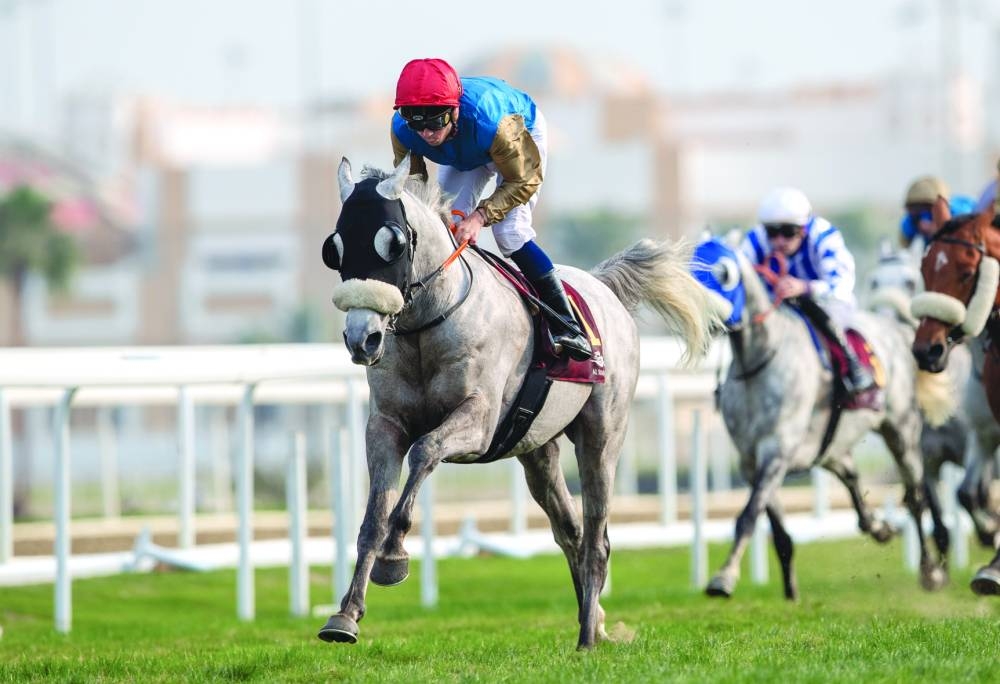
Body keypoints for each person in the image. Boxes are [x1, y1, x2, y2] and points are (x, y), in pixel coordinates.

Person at [389, 57, 591, 361]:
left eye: (435, 121)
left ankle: (568, 324)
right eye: (416, 121)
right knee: (446, 229)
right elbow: (417, 190)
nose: (427, 133)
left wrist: (480, 216)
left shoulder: (492, 122)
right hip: (467, 151)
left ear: (454, 110)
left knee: (509, 231)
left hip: (518, 144)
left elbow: (524, 178)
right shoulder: (402, 131)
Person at [740, 186, 875, 396]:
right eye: (772, 233)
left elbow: (843, 284)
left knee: (814, 310)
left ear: (803, 229)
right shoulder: (756, 239)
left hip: (826, 303)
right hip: (778, 306)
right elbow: (739, 272)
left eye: (787, 232)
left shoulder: (824, 237)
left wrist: (805, 287)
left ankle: (853, 366)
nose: (779, 241)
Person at [899, 175, 977, 257]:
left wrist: (941, 230)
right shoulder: (909, 223)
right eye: (917, 211)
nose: (924, 221)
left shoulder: (960, 215)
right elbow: (903, 248)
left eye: (929, 211)